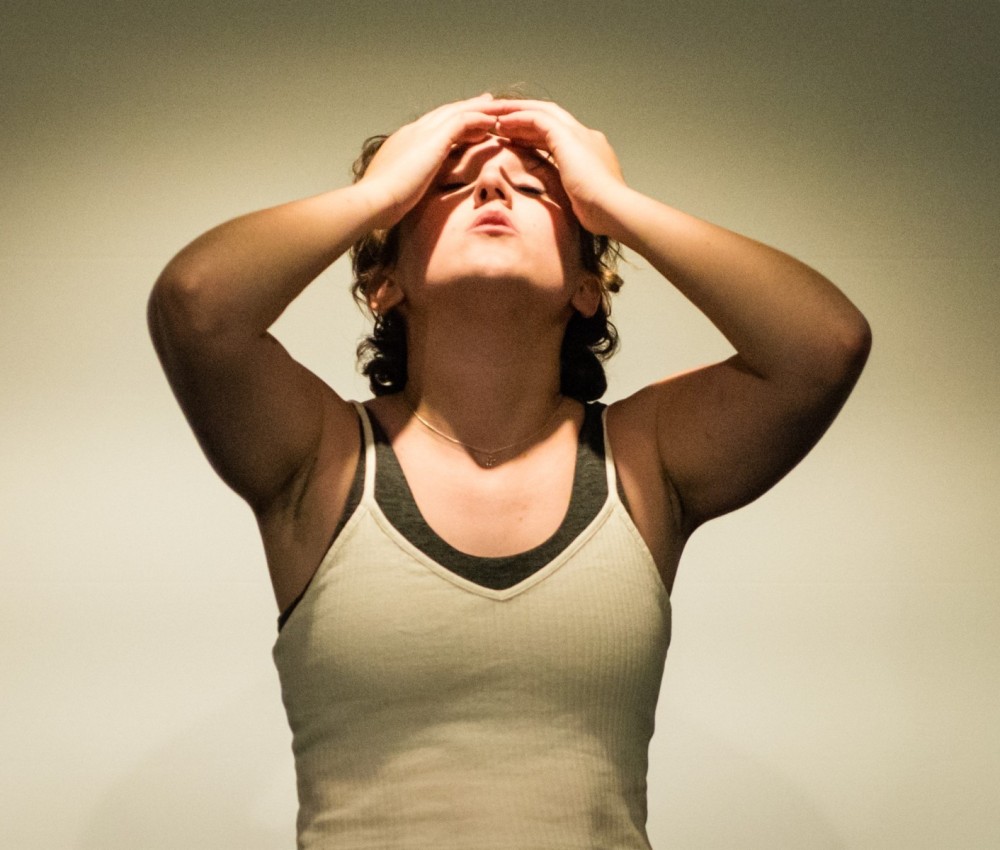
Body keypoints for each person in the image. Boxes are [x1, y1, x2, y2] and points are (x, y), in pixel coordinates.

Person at [148, 94, 871, 849]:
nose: (494, 190)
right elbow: (197, 304)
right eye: (451, 185)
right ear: (382, 283)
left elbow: (824, 344)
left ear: (586, 288)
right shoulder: (324, 455)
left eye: (536, 191)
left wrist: (616, 205)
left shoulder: (643, 455)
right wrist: (378, 195)